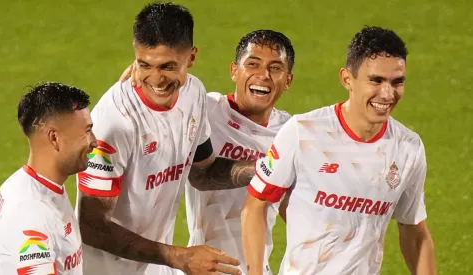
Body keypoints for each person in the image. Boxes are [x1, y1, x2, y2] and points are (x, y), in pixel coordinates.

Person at [76, 2, 254, 275]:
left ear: (191, 58)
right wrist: (178, 257)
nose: (156, 79)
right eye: (144, 65)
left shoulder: (194, 93)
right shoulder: (115, 122)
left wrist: (263, 170)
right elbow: (92, 226)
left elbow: (201, 172)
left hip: (157, 267)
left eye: (168, 66)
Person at [242, 26, 437, 275]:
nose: (387, 94)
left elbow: (415, 232)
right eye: (376, 80)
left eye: (397, 82)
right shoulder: (304, 132)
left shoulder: (408, 147)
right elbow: (256, 205)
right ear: (347, 79)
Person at [121, 29, 295, 275]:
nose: (263, 75)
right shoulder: (206, 110)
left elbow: (298, 207)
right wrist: (138, 71)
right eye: (252, 64)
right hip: (206, 266)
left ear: (288, 80)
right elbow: (156, 90)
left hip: (257, 268)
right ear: (234, 70)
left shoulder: (290, 133)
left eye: (275, 68)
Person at [0, 82, 96, 275]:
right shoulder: (29, 211)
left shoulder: (36, 186)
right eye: (87, 131)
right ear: (54, 138)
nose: (94, 141)